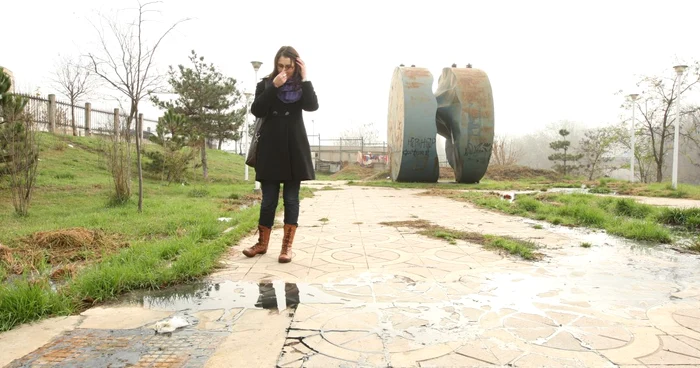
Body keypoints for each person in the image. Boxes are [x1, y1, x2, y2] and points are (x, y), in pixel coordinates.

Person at [242, 46, 319, 263]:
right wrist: (273, 88)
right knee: (268, 201)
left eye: (289, 66)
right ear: (276, 64)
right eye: (280, 66)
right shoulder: (266, 84)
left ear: (296, 66)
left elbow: (312, 106)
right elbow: (256, 110)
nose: (284, 70)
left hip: (294, 148)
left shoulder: (301, 87)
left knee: (291, 199)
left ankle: (287, 248)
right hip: (270, 148)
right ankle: (262, 244)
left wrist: (305, 79)